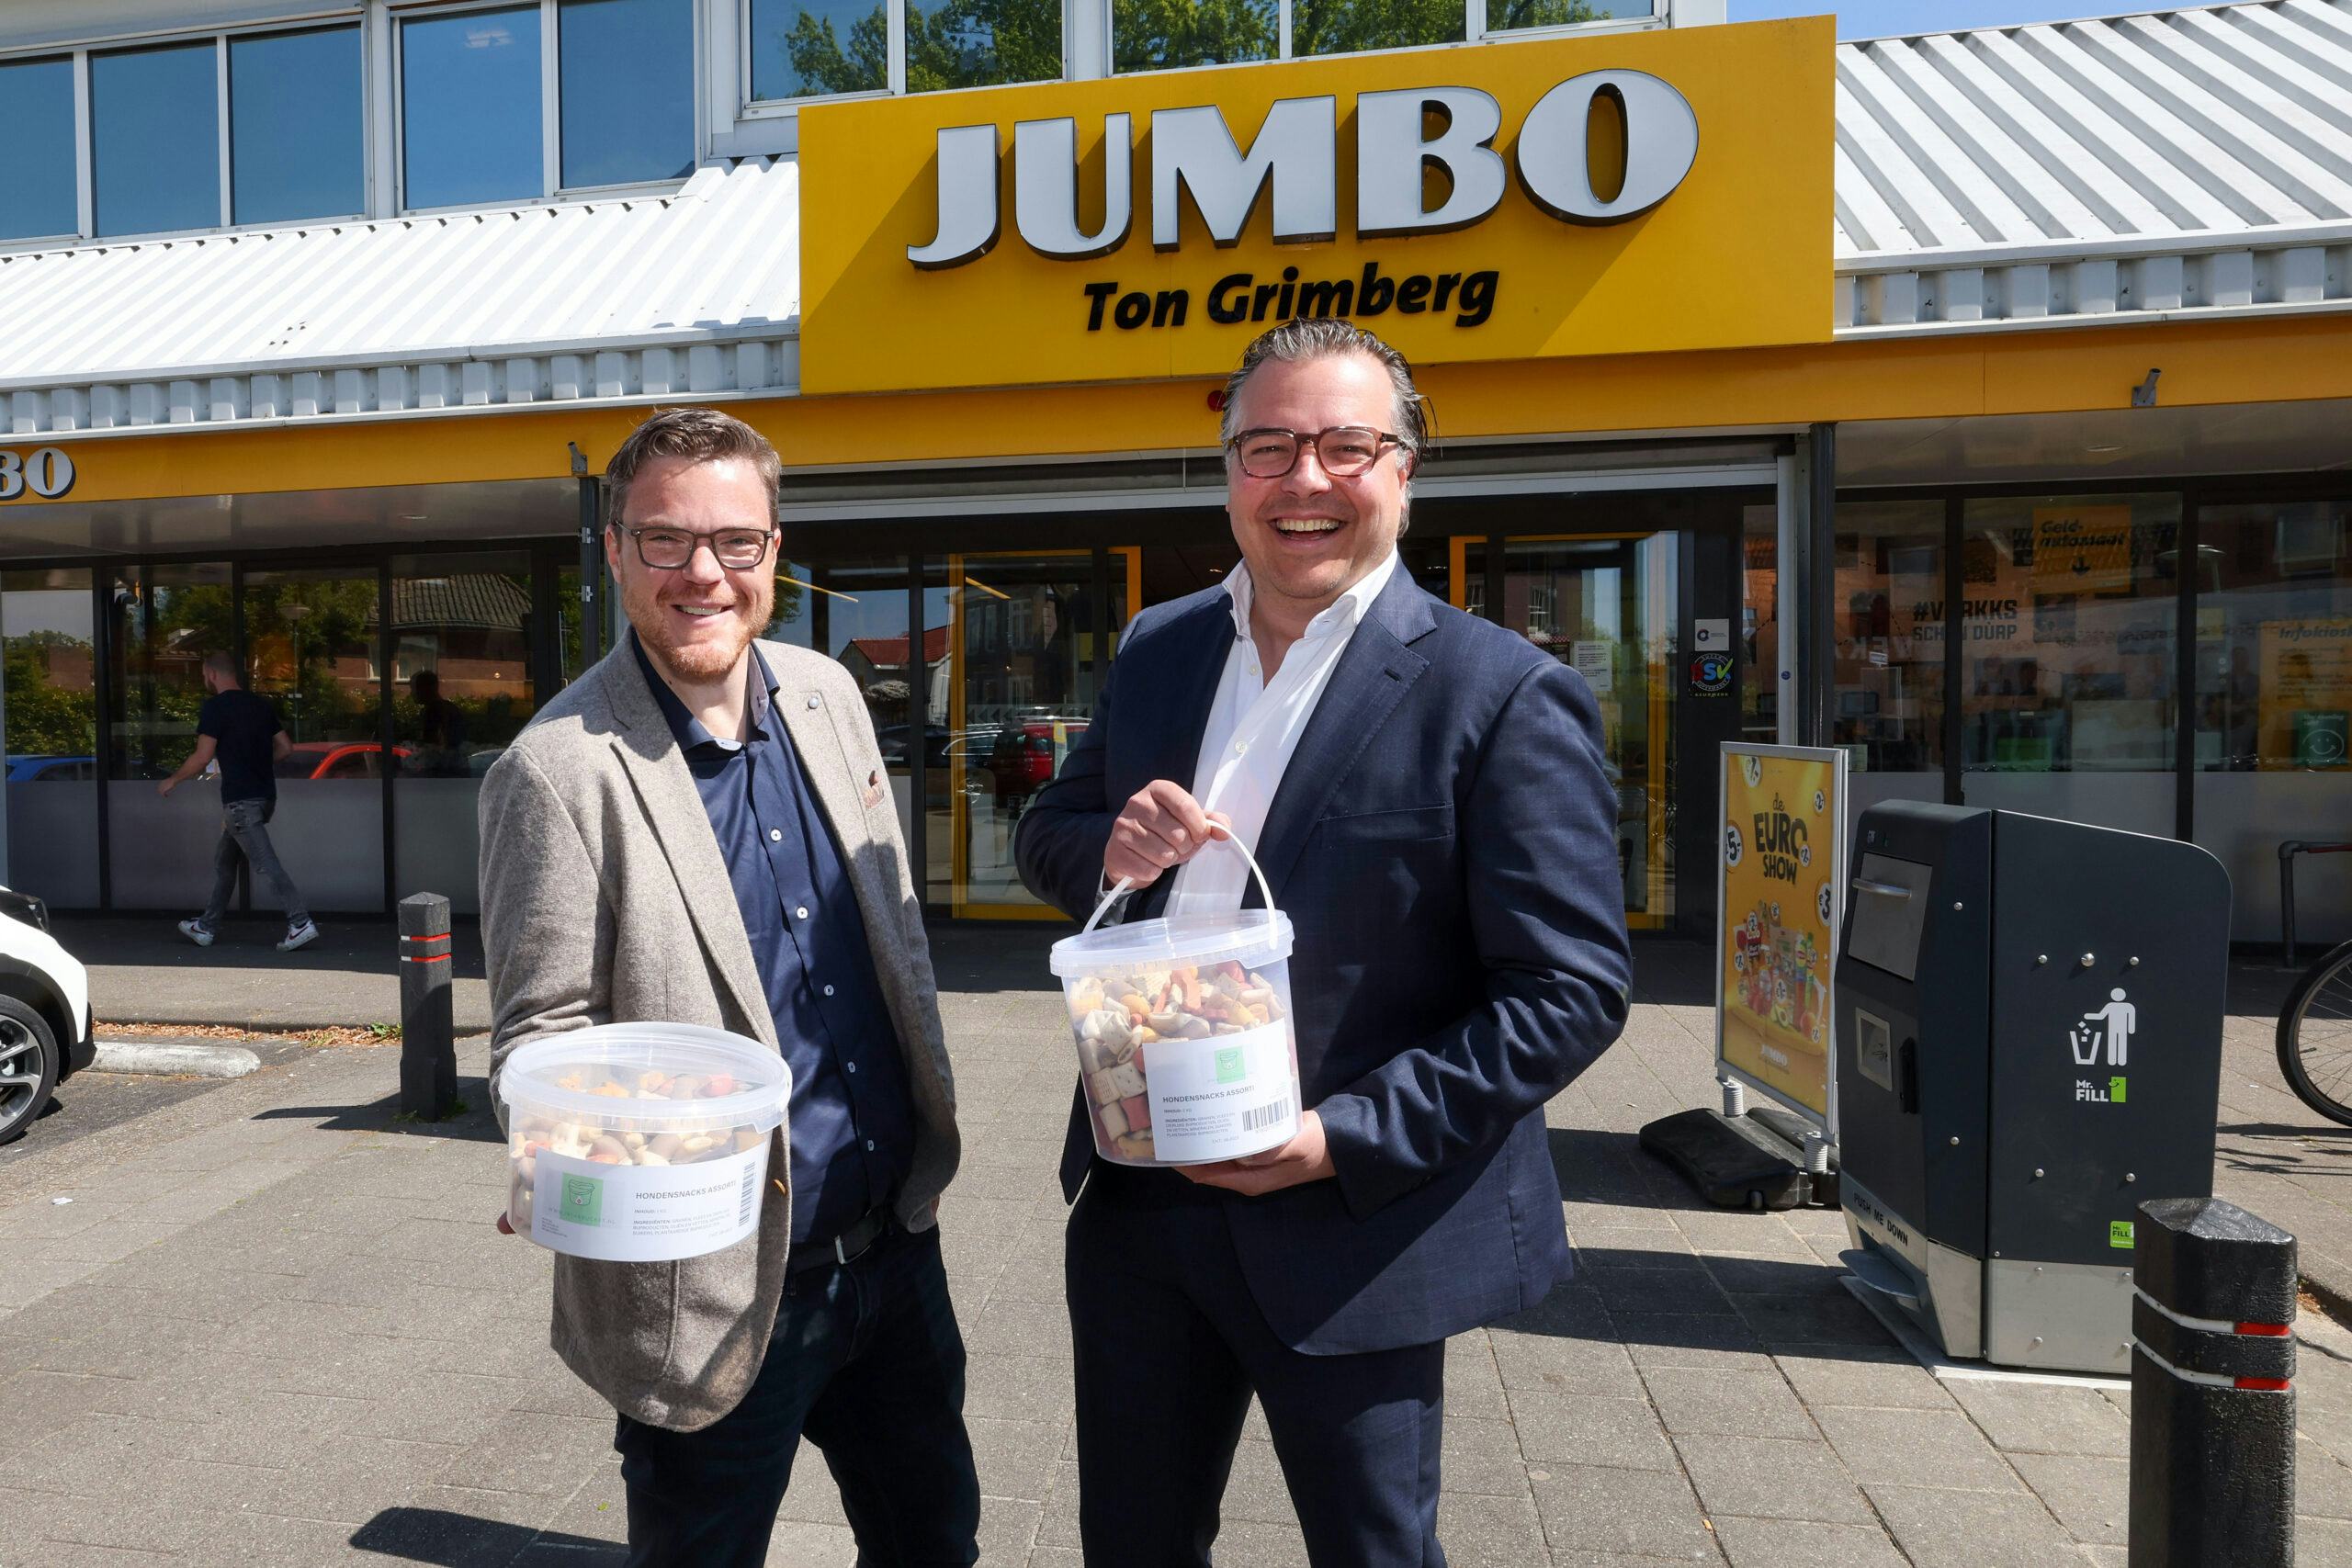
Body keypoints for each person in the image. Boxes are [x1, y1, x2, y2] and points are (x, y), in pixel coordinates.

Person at [1015, 320, 1632, 1567]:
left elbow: (1567, 989)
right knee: (1130, 1542)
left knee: (1371, 1551)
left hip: (1352, 1225)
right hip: (1141, 1198)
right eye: (1268, 446)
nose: (1304, 478)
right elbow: (1051, 835)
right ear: (1228, 472)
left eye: (1347, 444)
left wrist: (1339, 1137)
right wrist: (1112, 850)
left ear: (1404, 470)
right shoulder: (1161, 647)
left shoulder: (1499, 691)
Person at [478, 407, 978, 1568]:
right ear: (615, 550)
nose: (703, 573)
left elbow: (891, 934)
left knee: (934, 1546)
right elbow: (540, 1031)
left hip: (894, 1250)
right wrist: (567, 1148)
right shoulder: (556, 771)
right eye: (665, 539)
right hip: (711, 1289)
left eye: (735, 541)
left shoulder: (827, 694)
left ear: (772, 551)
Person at [164, 651, 317, 953]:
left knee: (266, 864)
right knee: (225, 863)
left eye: (203, 675)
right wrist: (258, 764)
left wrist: (174, 779)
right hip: (264, 797)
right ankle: (206, 926)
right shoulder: (260, 705)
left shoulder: (215, 708)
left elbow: (203, 757)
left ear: (211, 674)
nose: (204, 679)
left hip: (240, 803)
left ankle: (300, 922)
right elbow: (286, 747)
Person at [407, 669, 469, 775]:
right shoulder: (447, 708)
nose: (412, 693)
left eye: (413, 688)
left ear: (425, 689)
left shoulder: (435, 711)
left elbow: (436, 747)